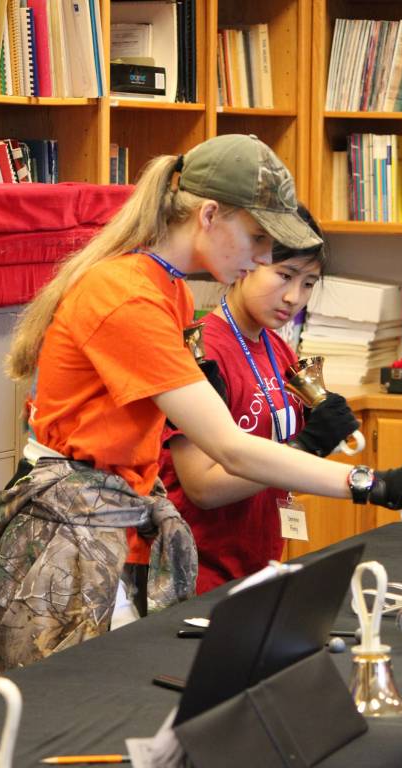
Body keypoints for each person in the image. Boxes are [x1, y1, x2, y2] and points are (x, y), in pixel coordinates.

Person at [0, 133, 402, 671]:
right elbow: (230, 450)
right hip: (73, 533)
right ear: (210, 215)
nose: (262, 257)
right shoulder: (127, 295)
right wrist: (372, 483)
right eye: (258, 238)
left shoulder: (167, 288)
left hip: (113, 519)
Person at [159, 204, 364, 593]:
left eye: (308, 283)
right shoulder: (203, 352)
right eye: (284, 275)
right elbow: (202, 487)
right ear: (249, 262)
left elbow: (279, 454)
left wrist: (320, 431)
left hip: (257, 563)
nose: (294, 297)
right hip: (199, 571)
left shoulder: (275, 347)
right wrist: (303, 447)